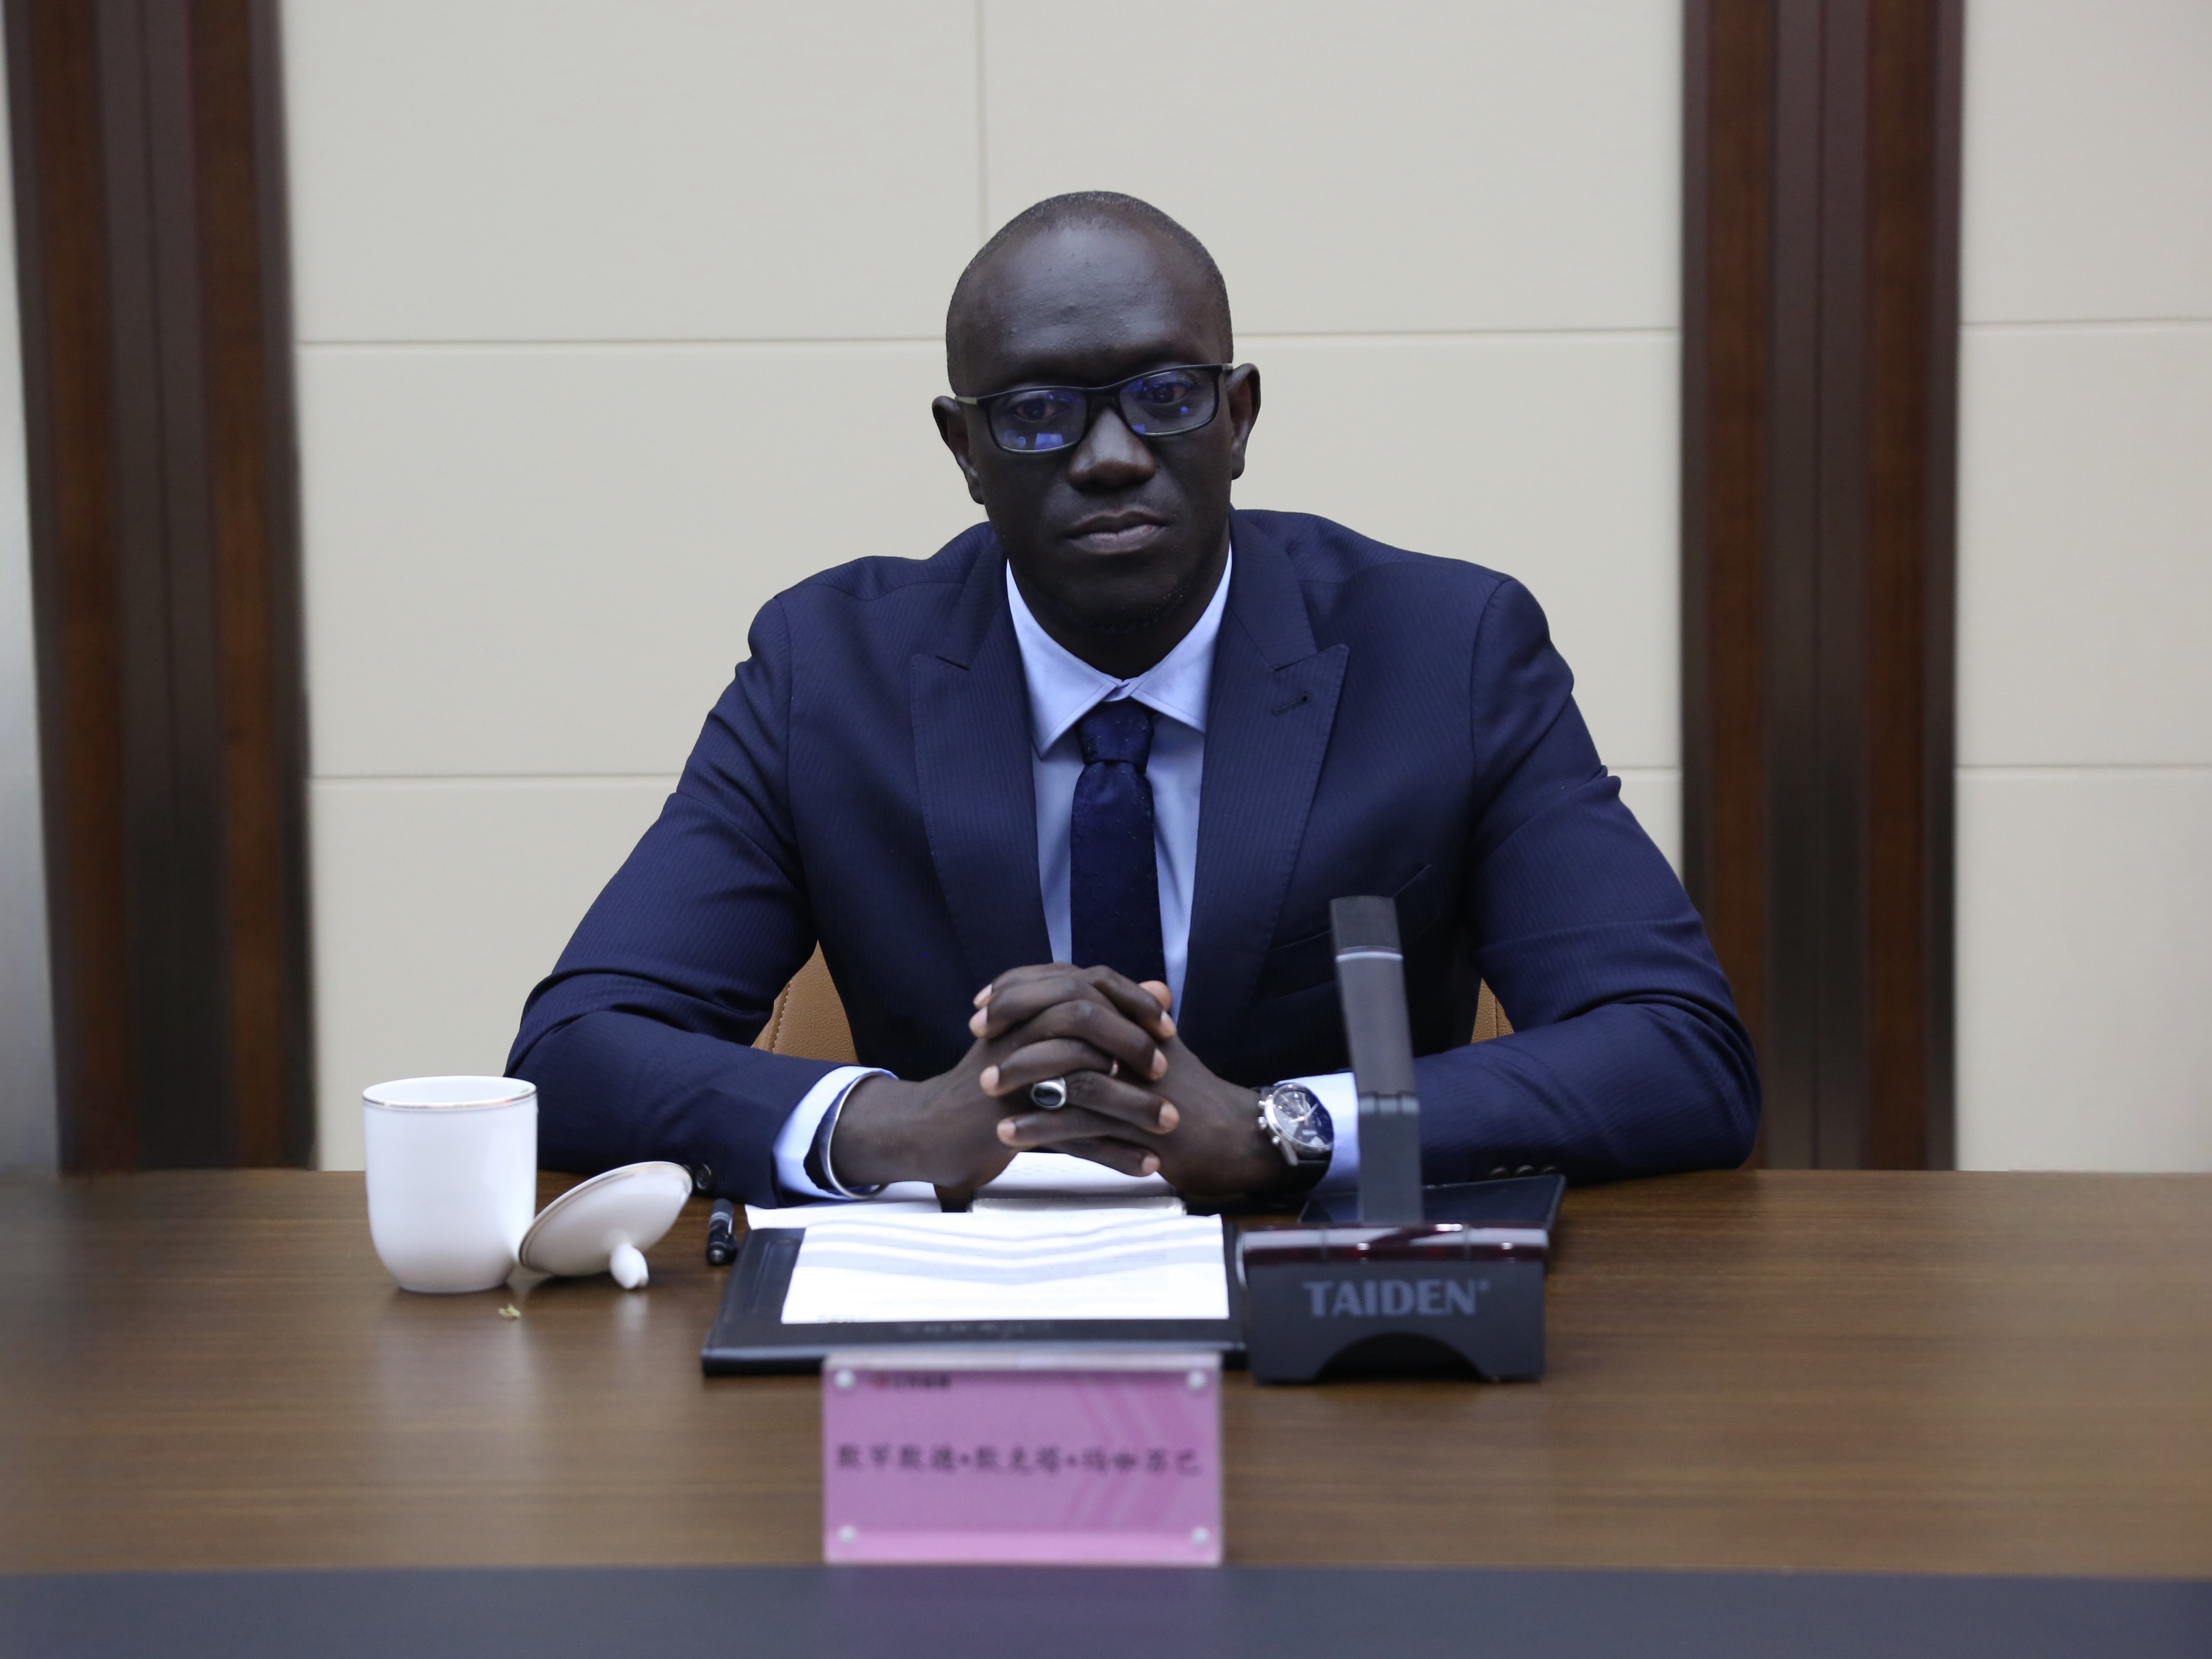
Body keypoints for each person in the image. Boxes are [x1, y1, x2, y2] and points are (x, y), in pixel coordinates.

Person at [508, 192, 1758, 1207]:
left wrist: (1284, 1127)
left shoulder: (1446, 653)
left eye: (1165, 396)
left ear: (1238, 417)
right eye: (1038, 413)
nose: (1111, 457)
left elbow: (1679, 1050)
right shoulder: (829, 672)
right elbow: (576, 1049)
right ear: (964, 451)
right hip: (950, 1328)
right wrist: (895, 1126)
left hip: (1330, 1329)